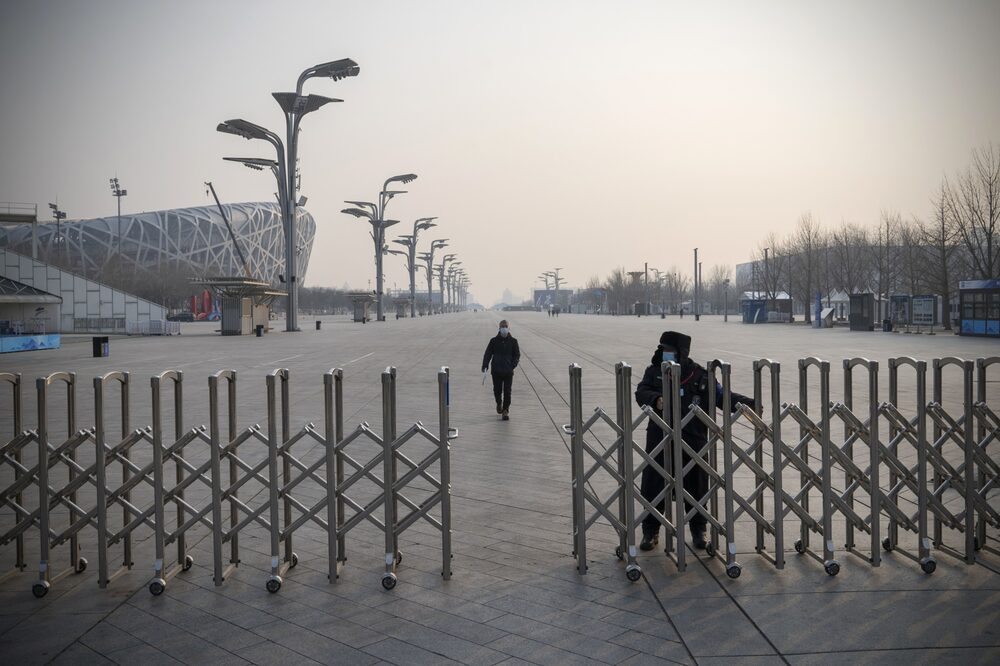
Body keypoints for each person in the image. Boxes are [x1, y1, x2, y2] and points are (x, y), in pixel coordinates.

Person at [634, 331, 753, 551]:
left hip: (693, 438)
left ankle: (699, 530)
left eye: (669, 351)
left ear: (682, 352)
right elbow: (641, 391)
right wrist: (655, 399)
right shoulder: (654, 372)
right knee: (653, 484)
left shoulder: (700, 375)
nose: (665, 354)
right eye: (662, 350)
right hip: (659, 437)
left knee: (696, 484)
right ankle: (650, 531)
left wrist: (749, 404)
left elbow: (721, 396)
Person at [482, 319, 520, 420]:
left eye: (505, 326)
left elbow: (517, 355)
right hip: (496, 371)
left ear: (508, 327)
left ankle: (505, 410)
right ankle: (499, 403)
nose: (504, 328)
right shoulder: (493, 341)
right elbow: (488, 354)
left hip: (508, 371)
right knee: (497, 390)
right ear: (499, 328)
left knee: (507, 391)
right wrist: (485, 365)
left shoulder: (513, 341)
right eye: (502, 326)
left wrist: (512, 365)